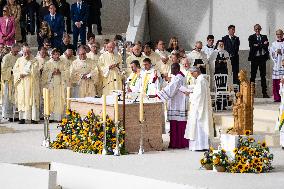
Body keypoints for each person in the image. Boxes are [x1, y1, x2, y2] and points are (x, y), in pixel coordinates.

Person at [157, 63, 189, 149]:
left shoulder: (178, 77)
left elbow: (171, 88)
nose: (171, 70)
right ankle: (178, 142)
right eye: (171, 68)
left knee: (177, 123)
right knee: (178, 122)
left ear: (178, 68)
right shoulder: (180, 76)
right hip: (178, 102)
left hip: (178, 103)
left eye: (173, 68)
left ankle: (177, 143)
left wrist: (159, 95)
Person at [184, 66, 214, 151]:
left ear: (196, 72)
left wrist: (189, 94)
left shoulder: (201, 81)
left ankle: (200, 146)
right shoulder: (202, 80)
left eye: (192, 73)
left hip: (199, 108)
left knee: (198, 126)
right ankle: (201, 145)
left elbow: (198, 97)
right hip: (201, 106)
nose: (192, 75)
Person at [13, 45, 40, 124]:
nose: (26, 54)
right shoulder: (19, 60)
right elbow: (15, 70)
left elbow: (36, 71)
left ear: (30, 52)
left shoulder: (34, 60)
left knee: (32, 100)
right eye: (25, 52)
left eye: (28, 52)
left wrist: (29, 70)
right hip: (22, 83)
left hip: (31, 83)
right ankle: (22, 118)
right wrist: (19, 74)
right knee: (23, 100)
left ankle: (33, 118)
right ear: (22, 52)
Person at [42, 48, 65, 121]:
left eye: (58, 54)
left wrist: (61, 72)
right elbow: (44, 74)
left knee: (59, 100)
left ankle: (59, 117)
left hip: (60, 84)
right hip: (51, 84)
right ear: (52, 55)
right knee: (51, 99)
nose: (57, 56)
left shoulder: (63, 63)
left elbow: (67, 72)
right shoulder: (48, 63)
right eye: (55, 54)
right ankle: (51, 117)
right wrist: (51, 73)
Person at [248, 24, 270, 98]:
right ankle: (251, 93)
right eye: (256, 29)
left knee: (263, 76)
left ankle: (264, 92)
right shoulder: (251, 37)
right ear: (254, 30)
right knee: (253, 76)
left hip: (262, 58)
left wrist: (257, 45)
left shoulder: (264, 37)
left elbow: (266, 45)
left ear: (260, 29)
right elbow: (252, 46)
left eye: (258, 29)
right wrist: (261, 44)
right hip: (254, 58)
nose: (257, 30)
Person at [1, 43, 20, 121]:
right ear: (12, 49)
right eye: (15, 51)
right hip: (9, 80)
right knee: (8, 97)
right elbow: (3, 69)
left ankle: (16, 115)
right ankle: (9, 115)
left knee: (17, 97)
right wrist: (11, 70)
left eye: (17, 51)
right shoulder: (6, 57)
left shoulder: (19, 57)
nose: (16, 53)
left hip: (17, 80)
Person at [270, 29, 284, 102]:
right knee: (276, 81)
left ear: (283, 34)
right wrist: (276, 53)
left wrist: (281, 52)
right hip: (276, 64)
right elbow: (271, 54)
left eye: (280, 34)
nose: (279, 36)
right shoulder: (274, 44)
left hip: (283, 64)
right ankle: (277, 97)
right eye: (278, 34)